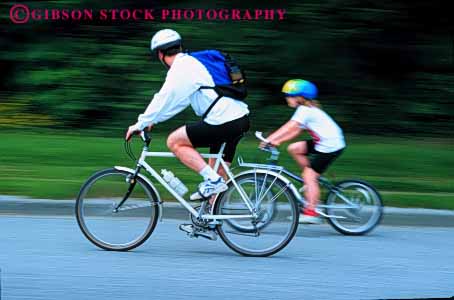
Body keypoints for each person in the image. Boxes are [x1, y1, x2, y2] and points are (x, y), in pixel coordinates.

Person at [125, 29, 250, 204]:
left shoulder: (182, 67)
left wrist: (140, 123)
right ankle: (212, 222)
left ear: (160, 54)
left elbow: (163, 97)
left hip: (223, 120)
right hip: (239, 118)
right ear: (179, 46)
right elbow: (180, 101)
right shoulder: (193, 64)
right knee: (216, 184)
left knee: (174, 142)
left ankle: (212, 181)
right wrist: (153, 120)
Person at [260, 79, 345, 224]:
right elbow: (296, 131)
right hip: (324, 142)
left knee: (309, 175)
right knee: (294, 148)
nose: (287, 98)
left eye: (290, 95)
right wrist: (278, 141)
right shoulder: (308, 109)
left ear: (301, 97)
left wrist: (269, 139)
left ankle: (311, 212)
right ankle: (311, 183)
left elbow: (289, 126)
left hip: (330, 146)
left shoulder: (305, 110)